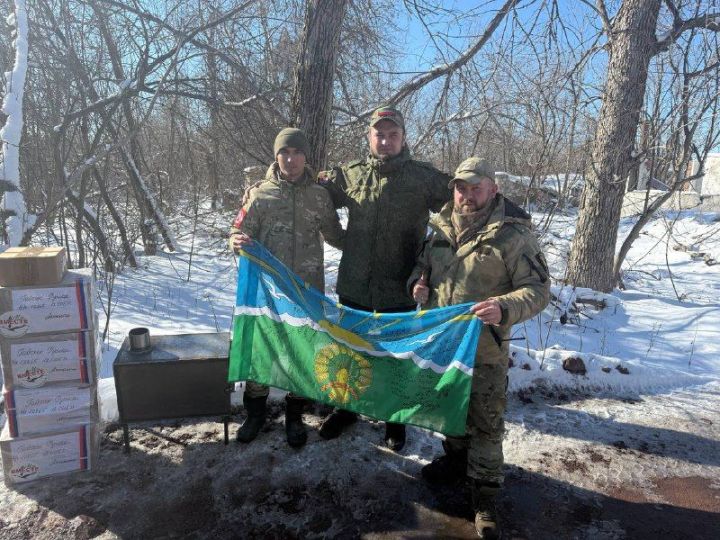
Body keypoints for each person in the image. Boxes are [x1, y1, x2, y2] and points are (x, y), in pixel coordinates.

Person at [408, 157, 550, 539]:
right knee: (450, 412)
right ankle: (456, 462)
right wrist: (417, 284)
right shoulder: (438, 226)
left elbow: (538, 291)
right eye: (460, 188)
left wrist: (504, 307)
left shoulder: (512, 236)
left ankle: (484, 496)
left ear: (493, 189)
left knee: (486, 424)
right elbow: (423, 266)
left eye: (475, 188)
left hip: (485, 349)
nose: (466, 196)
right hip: (443, 347)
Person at [317, 105, 452, 452]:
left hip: (400, 287)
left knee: (396, 356)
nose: (386, 140)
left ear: (403, 137)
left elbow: (463, 201)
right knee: (350, 351)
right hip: (355, 285)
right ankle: (346, 409)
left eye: (393, 134)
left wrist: (434, 258)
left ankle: (395, 417)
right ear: (370, 137)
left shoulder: (423, 177)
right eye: (380, 134)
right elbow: (310, 192)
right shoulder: (350, 174)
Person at [229, 127, 344, 448]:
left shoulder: (319, 195)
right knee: (262, 352)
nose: (290, 159)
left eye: (296, 153)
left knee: (301, 352)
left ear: (306, 156)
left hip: (306, 290)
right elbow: (237, 230)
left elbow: (337, 235)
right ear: (276, 155)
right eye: (284, 152)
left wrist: (371, 247)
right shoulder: (259, 194)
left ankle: (294, 417)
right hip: (268, 293)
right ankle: (255, 414)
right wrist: (235, 240)